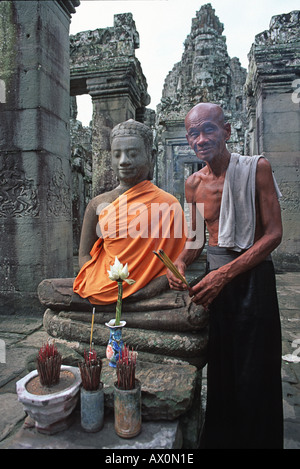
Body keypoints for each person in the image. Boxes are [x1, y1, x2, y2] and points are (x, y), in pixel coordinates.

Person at [167, 102, 283, 449]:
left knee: (256, 369)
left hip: (252, 281)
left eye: (209, 129)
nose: (201, 139)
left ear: (227, 131)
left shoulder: (257, 168)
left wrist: (225, 273)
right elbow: (196, 240)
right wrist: (182, 263)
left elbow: (274, 234)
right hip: (216, 283)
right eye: (193, 133)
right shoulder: (192, 184)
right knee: (221, 367)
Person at [73, 119, 186, 305]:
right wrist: (96, 280)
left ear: (151, 156)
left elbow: (175, 263)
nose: (124, 161)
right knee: (47, 289)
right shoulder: (97, 204)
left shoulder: (169, 204)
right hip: (104, 284)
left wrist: (143, 291)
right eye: (117, 154)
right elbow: (84, 255)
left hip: (149, 290)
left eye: (133, 153)